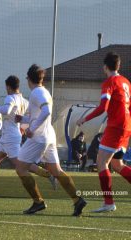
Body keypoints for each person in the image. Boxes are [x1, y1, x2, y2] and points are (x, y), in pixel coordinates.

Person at [15, 64, 86, 216]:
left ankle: (38, 202)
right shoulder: (44, 91)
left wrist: (32, 129)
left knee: (20, 167)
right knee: (56, 171)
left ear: (29, 78)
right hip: (49, 135)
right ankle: (77, 199)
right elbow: (39, 114)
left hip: (39, 137)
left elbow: (46, 112)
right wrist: (23, 118)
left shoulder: (36, 93)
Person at [0, 75, 57, 196]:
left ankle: (48, 174)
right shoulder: (24, 101)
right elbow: (27, 118)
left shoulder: (10, 98)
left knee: (21, 164)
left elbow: (7, 111)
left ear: (8, 87)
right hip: (7, 136)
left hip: (11, 138)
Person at [77, 52, 131, 213]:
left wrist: (84, 119)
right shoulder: (126, 82)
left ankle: (109, 203)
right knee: (117, 164)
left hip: (116, 127)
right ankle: (108, 202)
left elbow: (103, 107)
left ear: (105, 67)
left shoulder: (110, 82)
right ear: (119, 66)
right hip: (126, 126)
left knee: (101, 162)